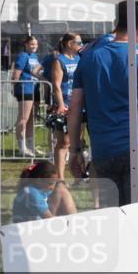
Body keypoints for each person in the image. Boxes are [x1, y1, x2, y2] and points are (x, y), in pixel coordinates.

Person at [67, 1, 138, 206]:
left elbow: (74, 109)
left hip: (103, 149)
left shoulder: (89, 58)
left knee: (112, 216)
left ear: (117, 22)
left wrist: (75, 150)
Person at [45, 33, 82, 181]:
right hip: (65, 105)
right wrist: (61, 105)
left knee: (77, 143)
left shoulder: (80, 59)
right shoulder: (59, 60)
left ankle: (79, 176)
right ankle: (60, 178)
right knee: (64, 142)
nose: (80, 44)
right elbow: (56, 85)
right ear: (68, 44)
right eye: (77, 42)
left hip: (79, 104)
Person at [12, 161, 76, 222]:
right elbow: (49, 218)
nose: (52, 187)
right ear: (39, 180)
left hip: (36, 224)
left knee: (61, 188)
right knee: (61, 190)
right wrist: (65, 221)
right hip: (27, 229)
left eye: (54, 183)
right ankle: (74, 223)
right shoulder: (30, 193)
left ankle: (74, 222)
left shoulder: (42, 188)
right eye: (50, 183)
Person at [12, 36, 43, 157]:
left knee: (31, 119)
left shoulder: (35, 56)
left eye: (36, 44)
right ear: (25, 44)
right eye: (31, 44)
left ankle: (30, 146)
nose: (34, 46)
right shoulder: (23, 56)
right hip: (25, 88)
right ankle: (22, 147)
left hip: (35, 88)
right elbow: (16, 74)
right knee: (23, 118)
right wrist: (14, 87)